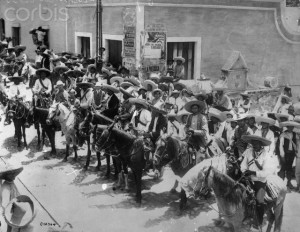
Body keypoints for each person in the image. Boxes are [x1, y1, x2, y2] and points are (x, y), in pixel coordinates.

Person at [240, 135, 271, 230]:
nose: (254, 144)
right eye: (253, 142)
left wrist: (254, 172)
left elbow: (266, 172)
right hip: (248, 180)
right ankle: (246, 216)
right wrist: (244, 171)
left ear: (261, 144)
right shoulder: (249, 152)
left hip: (260, 181)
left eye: (256, 143)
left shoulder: (266, 155)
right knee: (241, 197)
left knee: (259, 201)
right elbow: (243, 164)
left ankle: (259, 221)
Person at [0, 164, 23, 232]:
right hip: (11, 211)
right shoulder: (6, 187)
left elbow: (17, 195)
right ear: (6, 176)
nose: (13, 175)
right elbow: (5, 203)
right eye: (11, 174)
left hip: (16, 209)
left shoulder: (11, 183)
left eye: (14, 173)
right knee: (11, 228)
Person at [278, 121, 300, 189]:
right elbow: (281, 145)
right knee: (283, 167)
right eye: (289, 127)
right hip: (285, 153)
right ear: (287, 127)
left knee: (289, 168)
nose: (291, 128)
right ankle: (281, 183)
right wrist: (282, 155)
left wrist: (296, 151)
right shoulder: (283, 134)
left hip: (291, 154)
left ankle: (288, 182)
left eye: (292, 127)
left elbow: (297, 143)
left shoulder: (295, 134)